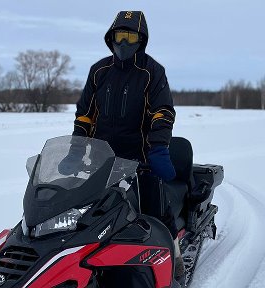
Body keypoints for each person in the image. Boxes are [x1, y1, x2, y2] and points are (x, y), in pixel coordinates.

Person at [73, 11, 185, 286]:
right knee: (87, 212)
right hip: (102, 158)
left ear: (141, 40)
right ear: (110, 39)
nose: (123, 43)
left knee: (154, 210)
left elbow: (162, 111)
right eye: (119, 36)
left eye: (130, 36)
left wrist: (158, 148)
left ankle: (175, 254)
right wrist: (76, 149)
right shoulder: (99, 71)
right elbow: (85, 114)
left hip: (141, 158)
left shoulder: (152, 72)